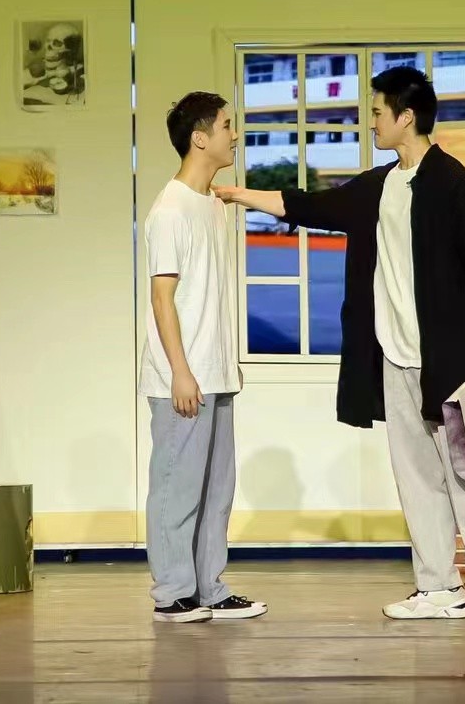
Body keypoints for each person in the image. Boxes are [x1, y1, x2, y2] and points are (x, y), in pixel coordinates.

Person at [216, 67, 465, 624]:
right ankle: (439, 588)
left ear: (407, 116)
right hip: (394, 358)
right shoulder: (380, 186)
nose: (371, 121)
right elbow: (312, 206)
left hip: (450, 358)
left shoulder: (453, 183)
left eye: (377, 112)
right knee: (417, 478)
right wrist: (238, 195)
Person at [141, 92, 265, 623]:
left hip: (216, 372)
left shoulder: (212, 204)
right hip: (182, 376)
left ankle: (209, 587)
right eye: (226, 126)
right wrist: (180, 372)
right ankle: (172, 593)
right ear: (200, 137)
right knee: (177, 486)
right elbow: (161, 298)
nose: (234, 134)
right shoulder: (169, 210)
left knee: (216, 490)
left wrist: (223, 364)